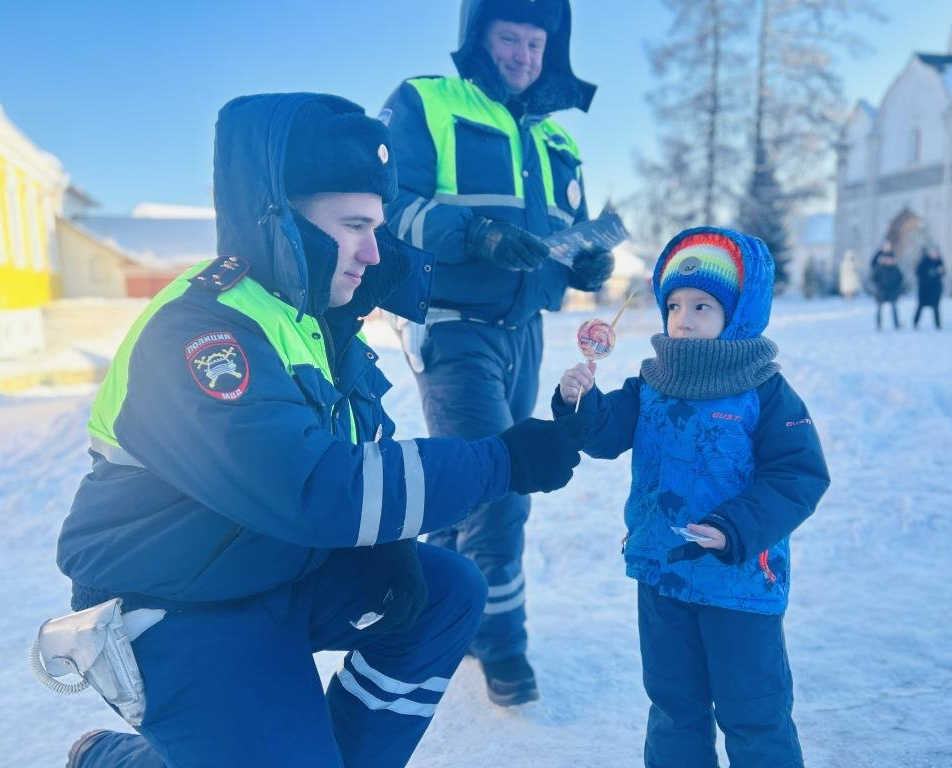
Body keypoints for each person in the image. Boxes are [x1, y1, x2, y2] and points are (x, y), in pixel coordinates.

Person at [54, 93, 586, 768]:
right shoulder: (204, 332)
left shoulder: (318, 321)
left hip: (267, 568)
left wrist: (385, 544)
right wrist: (500, 461)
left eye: (377, 226)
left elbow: (364, 451)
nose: (373, 251)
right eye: (355, 225)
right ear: (280, 217)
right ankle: (116, 759)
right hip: (174, 603)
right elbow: (314, 487)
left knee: (449, 591)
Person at [380, 0, 612, 706]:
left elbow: (568, 232)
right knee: (502, 482)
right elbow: (389, 203)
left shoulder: (556, 142)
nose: (521, 54)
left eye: (535, 42)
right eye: (508, 36)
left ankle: (431, 609)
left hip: (525, 333)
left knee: (465, 484)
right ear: (479, 38)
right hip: (453, 328)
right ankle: (502, 645)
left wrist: (584, 265)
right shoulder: (426, 101)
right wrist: (475, 235)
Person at [553, 228, 830, 767]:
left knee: (753, 712)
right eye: (674, 304)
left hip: (739, 583)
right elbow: (606, 436)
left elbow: (799, 474)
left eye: (703, 305)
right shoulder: (650, 383)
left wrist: (735, 527)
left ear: (739, 313)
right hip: (664, 575)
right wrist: (579, 402)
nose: (683, 318)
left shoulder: (764, 391)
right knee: (674, 706)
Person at [870, 240, 903, 330]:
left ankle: (896, 324)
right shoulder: (879, 266)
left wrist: (897, 289)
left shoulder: (894, 265)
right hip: (882, 291)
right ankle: (879, 325)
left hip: (892, 291)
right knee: (879, 308)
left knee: (894, 308)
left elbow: (900, 278)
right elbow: (873, 270)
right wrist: (878, 287)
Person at [914, 245, 945, 329]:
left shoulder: (939, 262)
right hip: (925, 289)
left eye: (935, 253)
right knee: (921, 306)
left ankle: (938, 324)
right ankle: (915, 322)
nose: (934, 254)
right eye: (932, 252)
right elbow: (919, 273)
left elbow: (943, 273)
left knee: (935, 306)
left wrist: (940, 272)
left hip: (935, 289)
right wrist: (930, 272)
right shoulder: (924, 262)